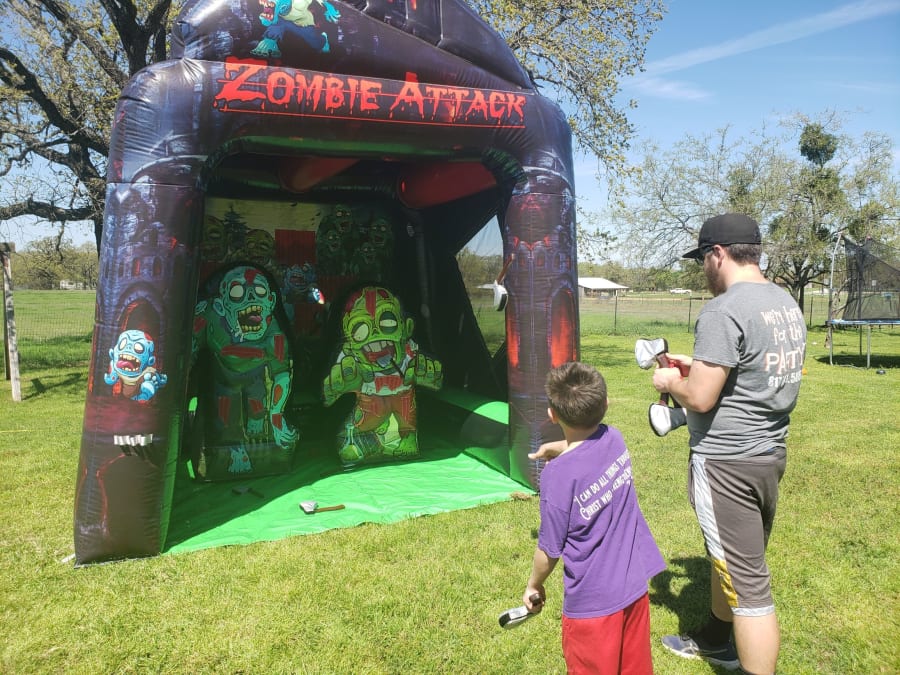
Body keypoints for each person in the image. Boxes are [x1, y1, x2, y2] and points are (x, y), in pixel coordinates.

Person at [651, 213, 806, 675]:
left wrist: (669, 381)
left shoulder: (722, 310)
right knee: (731, 561)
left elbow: (700, 397)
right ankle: (718, 640)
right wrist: (699, 364)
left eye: (702, 258)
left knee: (749, 588)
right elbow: (752, 369)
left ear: (717, 253)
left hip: (726, 464)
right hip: (768, 455)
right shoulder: (783, 301)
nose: (703, 268)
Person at [522, 361, 666, 674]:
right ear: (606, 404)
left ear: (552, 415)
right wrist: (561, 448)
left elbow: (549, 549)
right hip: (635, 590)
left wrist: (534, 585)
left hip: (592, 606)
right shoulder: (615, 438)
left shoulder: (557, 476)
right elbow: (589, 445)